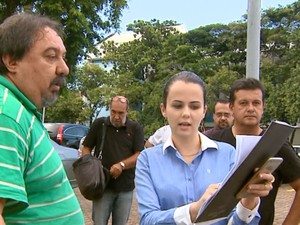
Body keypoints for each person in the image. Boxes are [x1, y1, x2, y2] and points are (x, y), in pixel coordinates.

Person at [135, 71, 275, 225]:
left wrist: (249, 199)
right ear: (164, 109)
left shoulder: (228, 154)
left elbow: (235, 221)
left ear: (204, 111)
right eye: (177, 105)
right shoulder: (147, 159)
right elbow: (147, 219)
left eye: (194, 106)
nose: (186, 113)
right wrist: (194, 210)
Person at [0, 13, 84, 224]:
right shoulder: (6, 115)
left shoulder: (19, 110)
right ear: (11, 60)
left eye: (63, 57)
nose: (64, 68)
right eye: (51, 56)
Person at [206, 78, 300, 225]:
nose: (250, 108)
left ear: (263, 107)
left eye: (256, 103)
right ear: (231, 107)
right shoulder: (211, 141)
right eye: (243, 103)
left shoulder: (276, 143)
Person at [81, 95, 144, 225]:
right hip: (102, 187)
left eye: (120, 113)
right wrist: (89, 167)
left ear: (127, 111)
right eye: (113, 111)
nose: (116, 116)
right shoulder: (100, 124)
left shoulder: (135, 128)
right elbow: (86, 148)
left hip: (125, 188)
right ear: (109, 109)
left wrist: (122, 165)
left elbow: (140, 155)